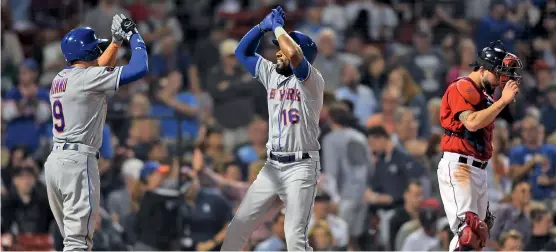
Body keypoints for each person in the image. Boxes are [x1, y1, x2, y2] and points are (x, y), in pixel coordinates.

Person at [221, 6, 325, 251]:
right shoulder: (273, 74)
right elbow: (242, 52)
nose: (278, 52)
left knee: (294, 237)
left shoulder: (312, 80)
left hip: (301, 166)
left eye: (284, 48)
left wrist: (278, 27)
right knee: (238, 227)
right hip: (272, 165)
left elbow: (295, 57)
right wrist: (261, 27)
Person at [43, 15, 148, 250]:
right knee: (78, 241)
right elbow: (140, 67)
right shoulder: (87, 79)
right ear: (89, 53)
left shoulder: (60, 78)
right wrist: (134, 36)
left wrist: (115, 43)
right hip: (78, 162)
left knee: (72, 240)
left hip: (56, 163)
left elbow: (98, 68)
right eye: (95, 50)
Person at [437, 40, 521, 251]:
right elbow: (472, 123)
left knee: (479, 236)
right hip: (459, 166)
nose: (501, 80)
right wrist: (502, 101)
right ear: (482, 69)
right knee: (469, 232)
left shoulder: (486, 95)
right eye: (497, 74)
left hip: (478, 170)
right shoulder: (461, 86)